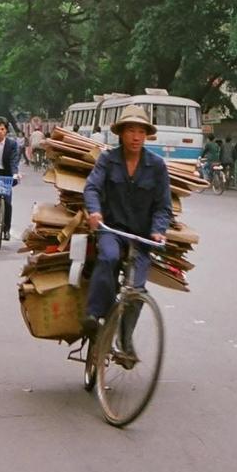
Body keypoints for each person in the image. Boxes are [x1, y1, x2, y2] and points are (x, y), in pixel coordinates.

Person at [81, 105, 172, 336]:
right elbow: (92, 188)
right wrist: (95, 212)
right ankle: (95, 313)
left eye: (141, 132)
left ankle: (125, 338)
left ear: (146, 135)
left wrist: (158, 230)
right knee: (108, 257)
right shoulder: (108, 160)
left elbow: (163, 206)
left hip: (141, 237)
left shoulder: (157, 166)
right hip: (112, 230)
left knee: (137, 289)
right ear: (121, 133)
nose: (136, 137)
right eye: (131, 130)